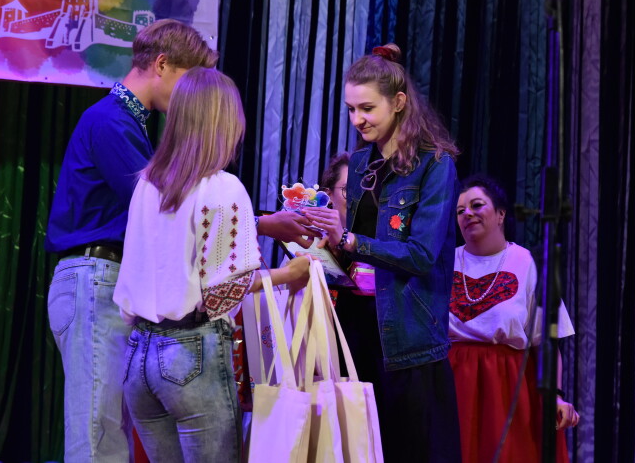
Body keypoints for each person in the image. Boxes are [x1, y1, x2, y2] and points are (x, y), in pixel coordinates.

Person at [44, 19, 313, 462]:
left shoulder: (132, 125)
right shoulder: (112, 122)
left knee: (110, 432)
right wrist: (264, 228)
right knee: (99, 436)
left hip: (117, 297)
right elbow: (171, 211)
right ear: (162, 64)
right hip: (96, 278)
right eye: (191, 80)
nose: (191, 94)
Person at [112, 67, 311, 460]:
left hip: (138, 356)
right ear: (225, 122)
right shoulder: (222, 187)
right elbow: (223, 294)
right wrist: (285, 275)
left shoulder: (147, 183)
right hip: (190, 354)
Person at [306, 43, 462, 462]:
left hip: (408, 332)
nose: (357, 119)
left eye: (367, 108)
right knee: (359, 451)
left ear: (398, 102)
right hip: (357, 323)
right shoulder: (360, 163)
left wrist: (349, 240)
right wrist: (319, 240)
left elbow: (421, 254)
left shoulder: (435, 164)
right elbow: (353, 248)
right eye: (351, 109)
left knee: (411, 450)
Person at [448, 175, 579, 463]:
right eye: (460, 211)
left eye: (477, 205)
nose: (467, 213)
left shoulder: (527, 263)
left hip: (508, 386)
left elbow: (546, 343)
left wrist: (555, 395)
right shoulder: (445, 262)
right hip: (454, 382)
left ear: (501, 214)